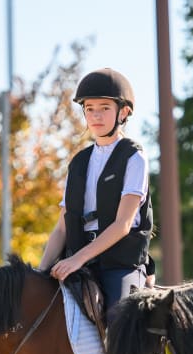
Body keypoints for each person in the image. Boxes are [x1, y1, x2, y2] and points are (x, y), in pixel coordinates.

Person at [39, 68, 153, 313]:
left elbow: (123, 224)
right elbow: (61, 228)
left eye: (104, 108)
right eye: (90, 109)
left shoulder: (134, 157)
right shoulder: (78, 162)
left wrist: (77, 259)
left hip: (120, 264)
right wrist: (40, 273)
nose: (96, 116)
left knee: (119, 317)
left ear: (123, 112)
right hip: (79, 262)